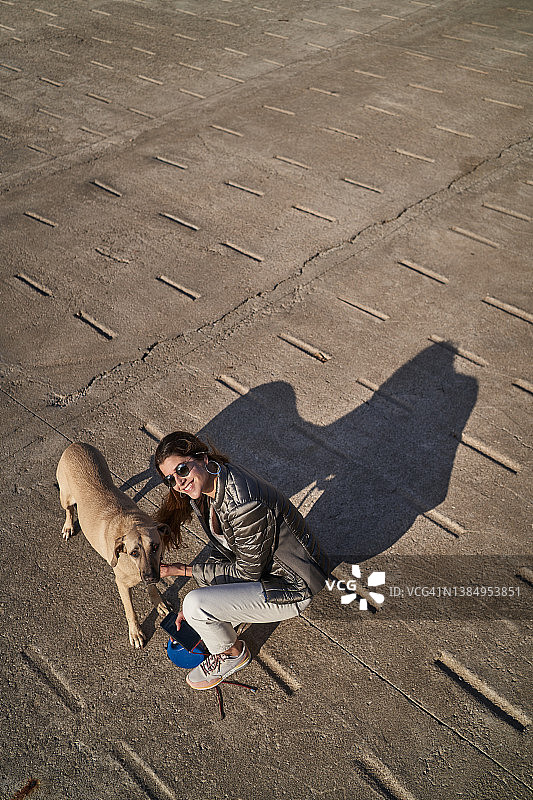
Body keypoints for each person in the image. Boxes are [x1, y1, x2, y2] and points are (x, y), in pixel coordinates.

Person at [154, 431, 330, 690]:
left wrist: (184, 571)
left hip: (294, 585)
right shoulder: (211, 483)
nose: (179, 483)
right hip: (267, 569)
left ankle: (232, 655)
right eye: (171, 479)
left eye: (182, 469)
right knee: (199, 607)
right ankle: (214, 622)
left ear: (201, 457)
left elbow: (247, 572)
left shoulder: (242, 504)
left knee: (195, 604)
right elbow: (226, 548)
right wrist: (208, 596)